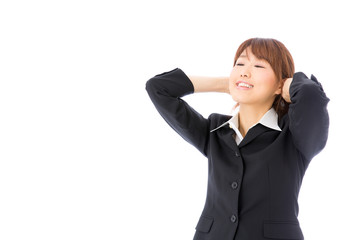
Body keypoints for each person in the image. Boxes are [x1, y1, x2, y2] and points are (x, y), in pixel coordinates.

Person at [145, 38, 329, 240]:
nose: (244, 71)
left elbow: (311, 95)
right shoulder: (215, 131)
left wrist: (288, 86)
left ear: (280, 84)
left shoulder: (294, 135)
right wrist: (229, 84)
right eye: (240, 64)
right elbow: (158, 88)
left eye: (259, 65)